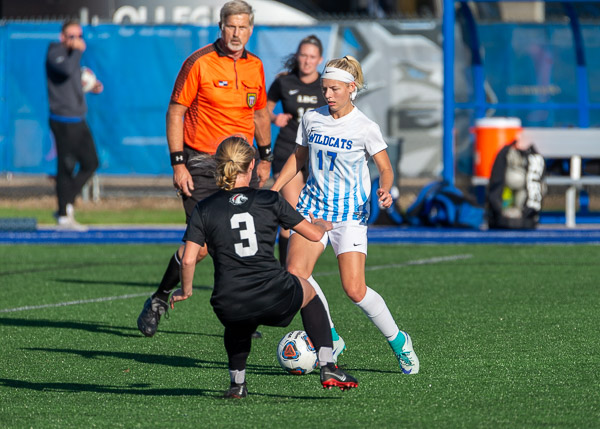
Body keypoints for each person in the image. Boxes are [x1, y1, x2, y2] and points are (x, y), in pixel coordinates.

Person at [169, 136, 358, 398]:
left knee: (236, 325)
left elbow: (188, 259)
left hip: (229, 300)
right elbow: (313, 235)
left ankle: (237, 386)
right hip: (272, 293)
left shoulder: (205, 208)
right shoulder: (270, 200)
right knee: (310, 294)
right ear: (251, 166)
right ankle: (328, 366)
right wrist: (322, 225)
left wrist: (185, 290)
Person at [271, 55, 420, 374]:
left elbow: (385, 167)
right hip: (313, 208)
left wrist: (385, 188)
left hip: (350, 215)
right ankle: (332, 337)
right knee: (296, 274)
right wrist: (275, 188)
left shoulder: (365, 127)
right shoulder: (312, 118)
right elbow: (298, 158)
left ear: (352, 89)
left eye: (335, 89)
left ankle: (399, 342)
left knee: (354, 289)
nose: (328, 95)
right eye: (325, 88)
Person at [137, 0, 273, 337]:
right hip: (200, 163)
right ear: (220, 26)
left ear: (251, 29)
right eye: (231, 26)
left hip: (241, 164)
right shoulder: (199, 62)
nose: (236, 33)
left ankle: (240, 314)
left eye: (243, 27)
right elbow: (175, 112)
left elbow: (259, 114)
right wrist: (178, 163)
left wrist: (266, 156)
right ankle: (159, 297)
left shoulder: (255, 65)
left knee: (241, 239)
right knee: (202, 247)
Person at [267, 35, 326, 267]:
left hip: (317, 156)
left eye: (312, 57)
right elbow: (262, 111)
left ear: (319, 59)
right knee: (292, 213)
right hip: (287, 151)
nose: (307, 61)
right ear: (297, 56)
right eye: (303, 55)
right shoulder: (284, 82)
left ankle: (298, 267)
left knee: (312, 213)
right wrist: (275, 117)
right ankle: (285, 273)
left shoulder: (326, 85)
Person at [46, 19, 103, 231]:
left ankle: (65, 203)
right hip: (62, 121)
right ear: (63, 37)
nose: (77, 41)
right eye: (72, 36)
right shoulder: (56, 51)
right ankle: (63, 213)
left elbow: (74, 81)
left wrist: (91, 86)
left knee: (91, 162)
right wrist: (77, 51)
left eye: (79, 36)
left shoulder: (72, 56)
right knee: (66, 166)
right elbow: (65, 71)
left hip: (78, 119)